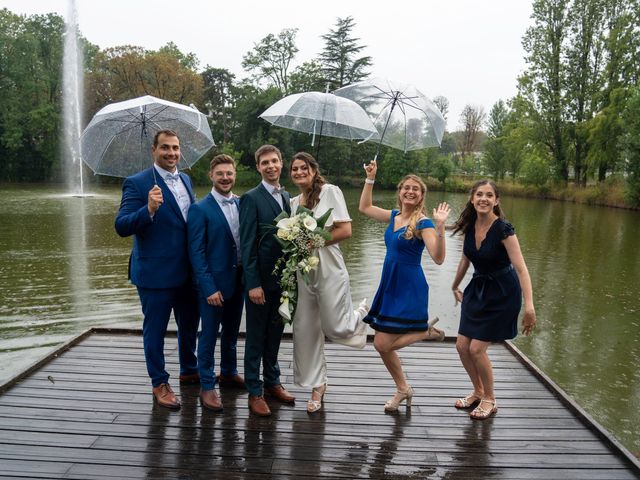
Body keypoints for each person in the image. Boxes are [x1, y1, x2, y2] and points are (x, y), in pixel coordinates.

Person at [115, 129, 200, 410]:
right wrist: (148, 209)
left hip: (187, 271)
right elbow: (122, 226)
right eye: (165, 148)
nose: (172, 153)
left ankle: (189, 369)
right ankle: (159, 382)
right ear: (154, 150)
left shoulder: (186, 179)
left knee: (189, 326)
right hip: (155, 274)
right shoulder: (137, 184)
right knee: (156, 330)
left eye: (175, 148)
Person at [359, 159, 450, 412]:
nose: (410, 191)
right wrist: (370, 177)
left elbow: (439, 258)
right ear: (400, 192)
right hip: (390, 284)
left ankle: (425, 332)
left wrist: (440, 227)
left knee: (381, 344)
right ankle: (403, 388)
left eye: (416, 189)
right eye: (406, 187)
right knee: (382, 344)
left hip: (409, 287)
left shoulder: (424, 223)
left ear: (421, 196)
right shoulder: (393, 216)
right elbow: (364, 207)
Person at [288, 152, 369, 414]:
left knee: (336, 326)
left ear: (313, 169)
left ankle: (360, 316)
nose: (299, 172)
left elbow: (345, 230)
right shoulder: (293, 202)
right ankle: (317, 385)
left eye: (304, 168)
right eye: (295, 169)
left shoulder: (330, 191)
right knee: (305, 331)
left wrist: (314, 241)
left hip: (329, 265)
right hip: (303, 268)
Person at [450, 179, 536, 420]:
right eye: (479, 194)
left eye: (489, 195)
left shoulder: (504, 229)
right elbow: (465, 260)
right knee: (461, 346)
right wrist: (454, 285)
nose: (483, 199)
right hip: (477, 289)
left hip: (502, 293)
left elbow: (521, 269)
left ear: (496, 201)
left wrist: (529, 305)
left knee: (476, 349)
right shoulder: (469, 226)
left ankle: (490, 399)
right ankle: (478, 391)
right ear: (472, 198)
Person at [239, 144, 296, 417]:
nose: (271, 166)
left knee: (275, 334)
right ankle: (255, 391)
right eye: (265, 163)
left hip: (283, 282)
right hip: (260, 283)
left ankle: (273, 381)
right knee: (256, 337)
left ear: (281, 163)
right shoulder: (251, 198)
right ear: (258, 167)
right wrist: (253, 283)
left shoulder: (287, 197)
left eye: (275, 161)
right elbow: (247, 244)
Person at [187, 154, 245, 412]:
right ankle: (207, 386)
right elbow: (196, 253)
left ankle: (229, 372)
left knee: (231, 334)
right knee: (208, 336)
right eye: (220, 174)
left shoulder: (243, 204)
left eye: (229, 173)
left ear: (235, 175)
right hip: (213, 287)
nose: (225, 178)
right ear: (211, 176)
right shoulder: (200, 208)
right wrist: (209, 288)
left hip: (239, 283)